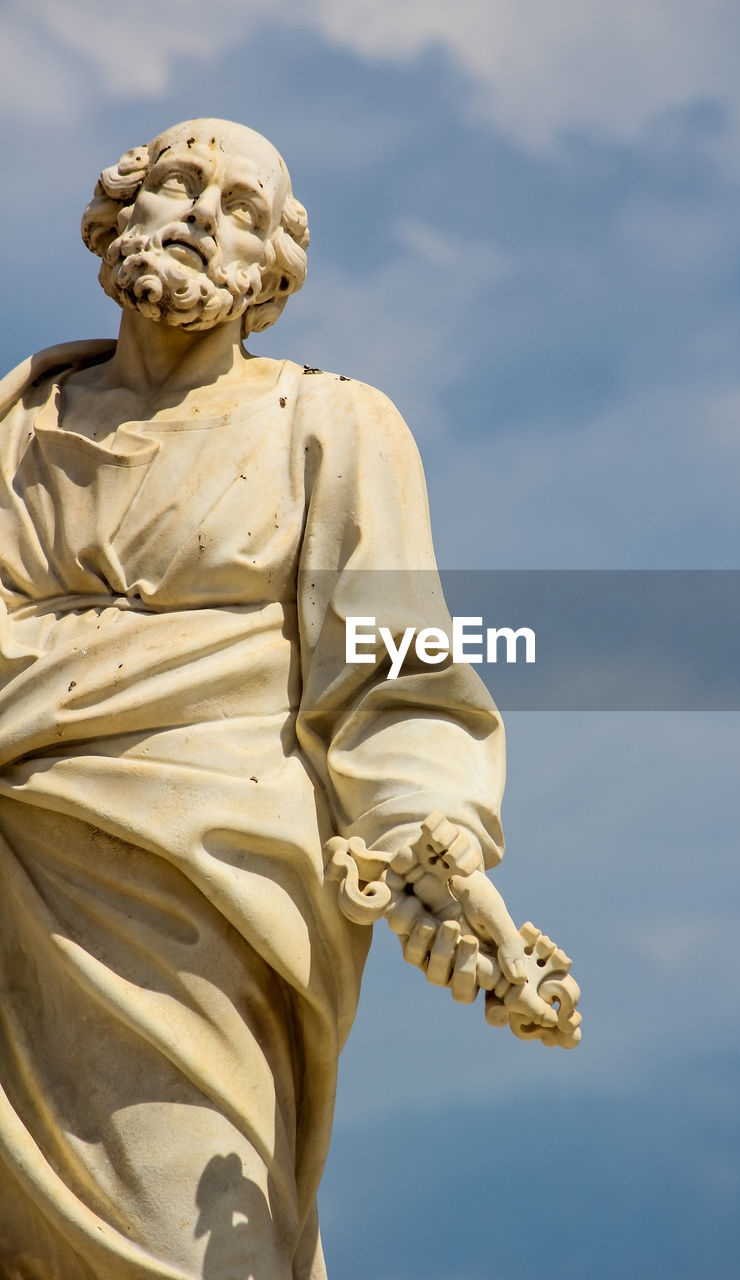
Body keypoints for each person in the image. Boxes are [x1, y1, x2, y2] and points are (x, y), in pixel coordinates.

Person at [0, 119, 506, 1279]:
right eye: (173, 184)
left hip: (200, 901)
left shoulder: (328, 426)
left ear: (270, 269)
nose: (195, 214)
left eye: (236, 203)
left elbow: (395, 669)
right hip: (13, 886)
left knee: (183, 1237)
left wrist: (431, 843)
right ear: (113, 216)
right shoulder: (17, 428)